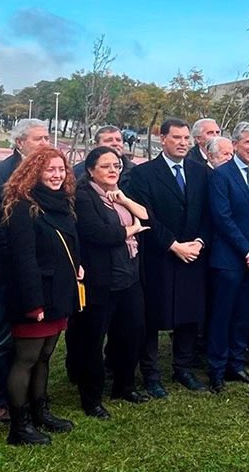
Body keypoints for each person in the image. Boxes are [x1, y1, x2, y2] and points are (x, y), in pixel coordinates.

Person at [1, 147, 82, 445]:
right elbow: (23, 259)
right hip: (35, 295)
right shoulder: (24, 206)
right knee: (26, 358)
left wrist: (78, 262)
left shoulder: (62, 203)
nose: (57, 175)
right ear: (34, 172)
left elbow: (71, 239)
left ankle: (40, 412)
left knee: (45, 356)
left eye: (61, 169)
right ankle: (19, 427)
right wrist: (34, 303)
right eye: (50, 170)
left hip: (60, 292)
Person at [126, 117, 211, 397]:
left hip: (193, 255)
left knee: (189, 316)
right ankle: (151, 375)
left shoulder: (201, 172)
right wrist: (174, 245)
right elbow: (146, 216)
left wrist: (198, 241)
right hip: (159, 256)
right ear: (162, 139)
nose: (183, 143)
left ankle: (183, 368)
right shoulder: (144, 174)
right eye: (177, 138)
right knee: (152, 317)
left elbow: (208, 214)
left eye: (187, 138)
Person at [67, 146, 150, 419]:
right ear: (91, 170)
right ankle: (91, 399)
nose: (113, 170)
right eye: (106, 166)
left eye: (116, 165)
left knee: (132, 332)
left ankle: (124, 386)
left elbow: (146, 215)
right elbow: (97, 233)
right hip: (100, 280)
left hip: (129, 275)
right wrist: (131, 230)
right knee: (92, 339)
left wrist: (124, 201)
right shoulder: (84, 196)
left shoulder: (118, 194)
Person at [0, 118, 50, 423]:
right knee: (4, 336)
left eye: (48, 137)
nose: (45, 144)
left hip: (45, 270)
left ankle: (33, 394)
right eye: (38, 139)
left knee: (37, 337)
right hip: (12, 270)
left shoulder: (52, 172)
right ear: (19, 142)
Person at [206, 122, 249, 392]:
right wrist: (246, 250)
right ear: (235, 145)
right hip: (229, 259)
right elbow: (222, 217)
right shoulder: (222, 175)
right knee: (223, 315)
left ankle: (237, 364)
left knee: (244, 315)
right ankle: (217, 369)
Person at [72, 126, 136, 190]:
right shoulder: (77, 172)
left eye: (118, 140)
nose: (115, 143)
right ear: (96, 145)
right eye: (109, 140)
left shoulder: (135, 172)